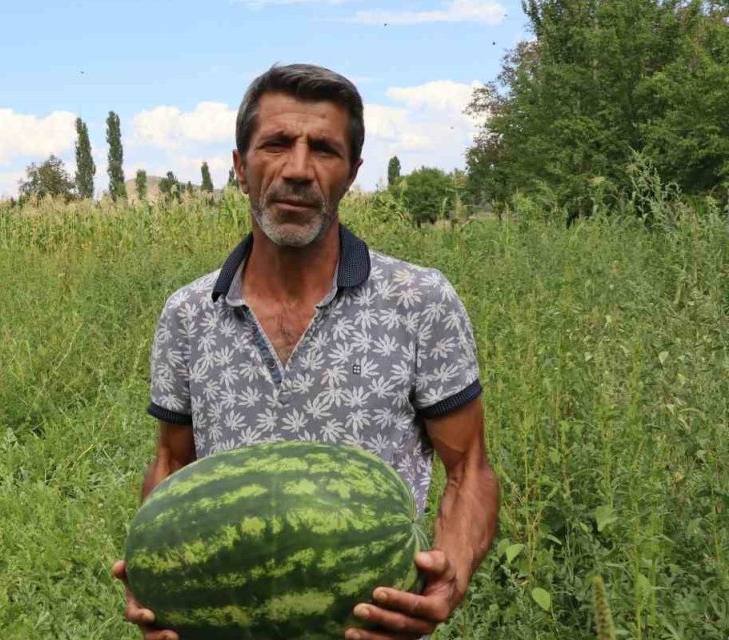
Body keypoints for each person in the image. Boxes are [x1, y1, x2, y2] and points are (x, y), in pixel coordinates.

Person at [111, 63, 499, 640]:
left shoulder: (418, 302)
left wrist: (453, 572)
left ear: (351, 173)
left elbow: (469, 469)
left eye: (324, 149)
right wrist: (158, 575)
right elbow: (172, 464)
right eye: (275, 144)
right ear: (241, 168)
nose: (297, 169)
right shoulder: (187, 314)